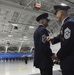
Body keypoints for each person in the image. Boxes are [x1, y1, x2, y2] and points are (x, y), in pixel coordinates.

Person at [47, 5, 74, 75]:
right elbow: (62, 36)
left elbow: (67, 43)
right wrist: (53, 38)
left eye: (56, 13)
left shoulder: (69, 23)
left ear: (60, 12)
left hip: (70, 60)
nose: (56, 15)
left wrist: (58, 55)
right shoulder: (66, 23)